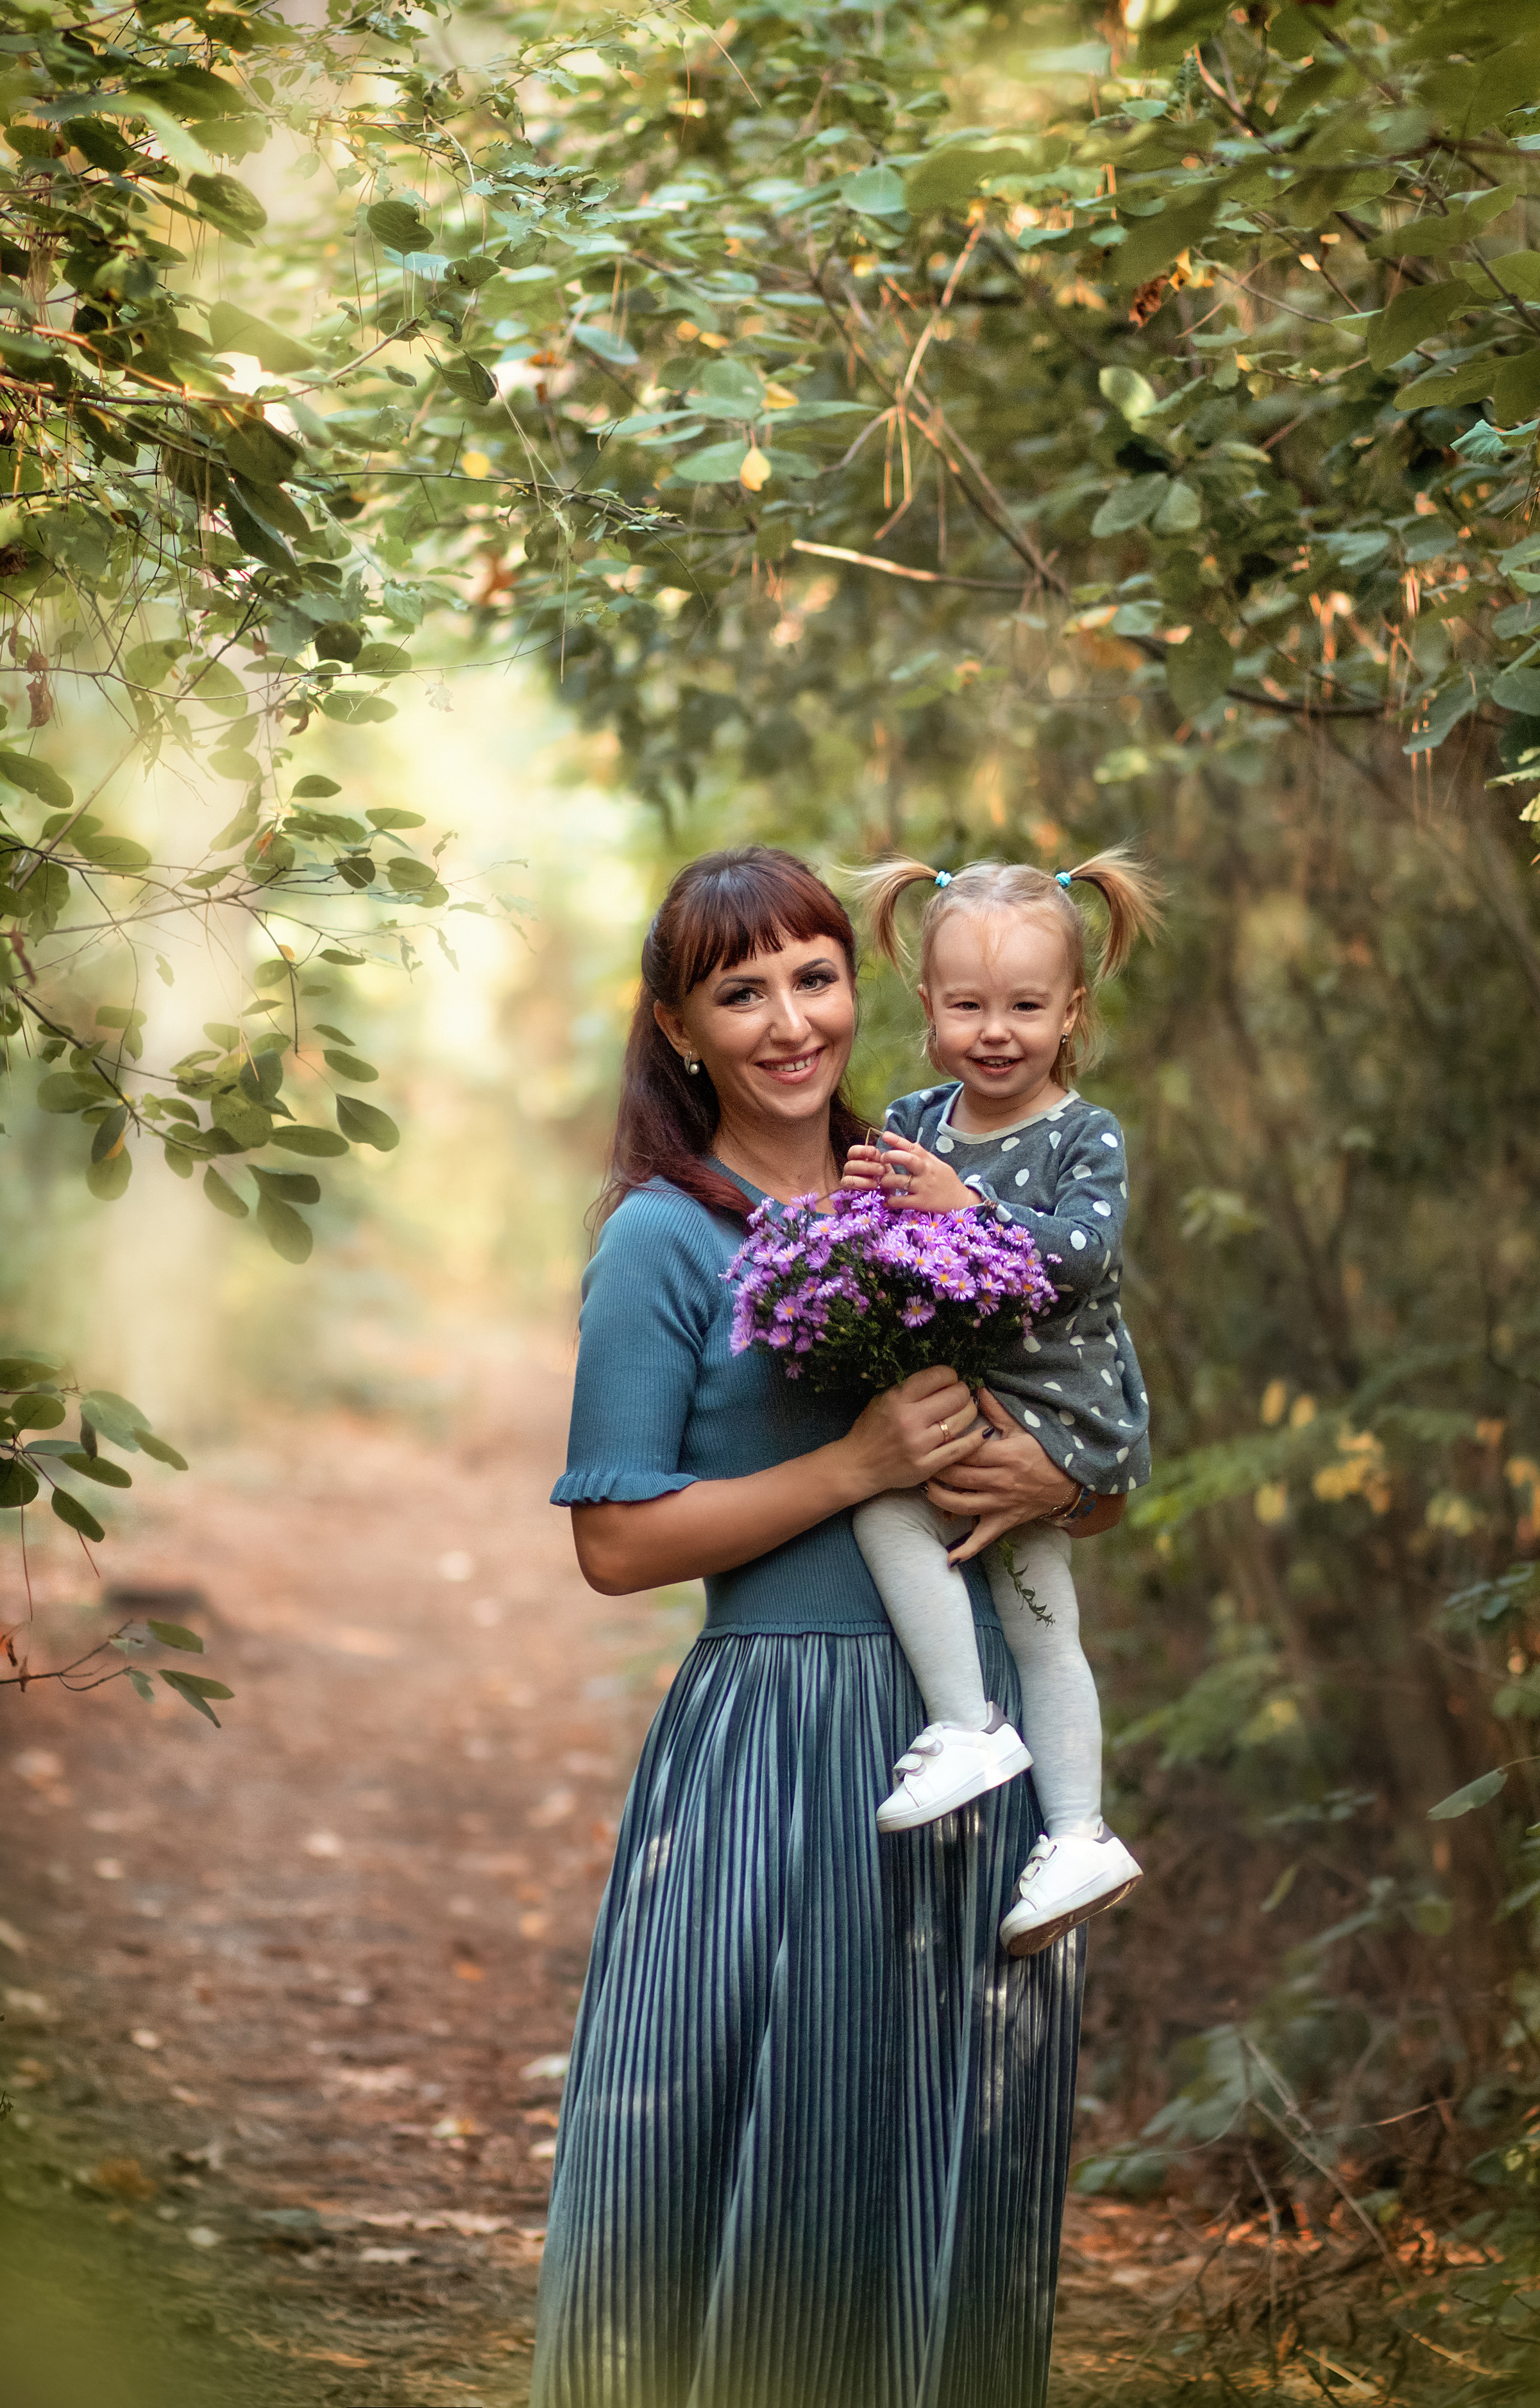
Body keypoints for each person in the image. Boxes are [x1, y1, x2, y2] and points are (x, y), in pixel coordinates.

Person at [532, 845, 1125, 2408]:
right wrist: (853, 1468)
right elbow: (611, 1542)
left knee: (949, 2150)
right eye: (741, 992)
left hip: (972, 1738)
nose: (789, 1021)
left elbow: (1092, 1444)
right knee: (761, 2145)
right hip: (780, 1748)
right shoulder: (660, 1239)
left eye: (813, 977)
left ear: (863, 992)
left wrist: (1049, 1479)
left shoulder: (935, 1180)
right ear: (680, 1027)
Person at [839, 854, 1163, 1956]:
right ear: (927, 1008)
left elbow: (1079, 1254)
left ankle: (1046, 1803)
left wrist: (961, 1205)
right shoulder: (914, 1120)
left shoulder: (1086, 1133)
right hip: (969, 1411)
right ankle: (1002, 1764)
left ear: (1072, 1011)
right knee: (966, 1565)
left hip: (1057, 1412)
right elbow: (885, 1246)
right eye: (969, 1005)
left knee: (1043, 1625)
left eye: (1026, 1005)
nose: (996, 1031)